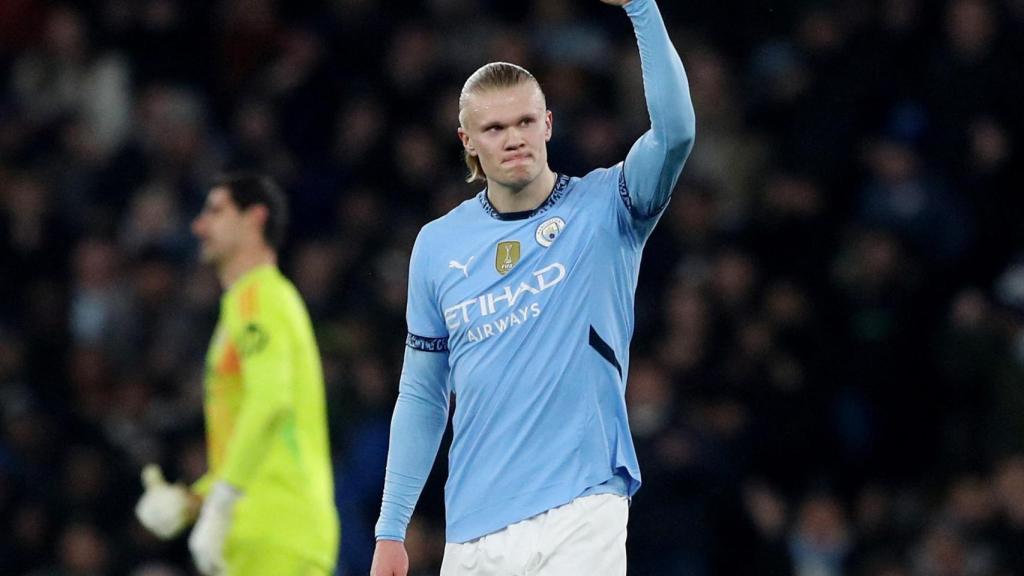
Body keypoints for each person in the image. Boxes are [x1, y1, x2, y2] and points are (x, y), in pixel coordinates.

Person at [371, 0, 695, 574]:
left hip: (582, 504)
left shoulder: (607, 207)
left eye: (525, 122)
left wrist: (642, 8)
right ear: (468, 140)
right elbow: (422, 394)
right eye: (494, 128)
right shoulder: (437, 245)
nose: (513, 138)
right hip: (473, 528)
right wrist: (391, 528)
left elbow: (674, 135)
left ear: (547, 124)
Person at [134, 174, 339, 576]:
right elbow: (256, 440)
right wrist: (193, 501)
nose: (199, 225)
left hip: (278, 533)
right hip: (258, 535)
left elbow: (270, 402)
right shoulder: (243, 307)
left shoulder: (260, 296)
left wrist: (222, 502)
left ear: (254, 219)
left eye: (215, 211)